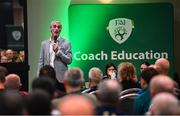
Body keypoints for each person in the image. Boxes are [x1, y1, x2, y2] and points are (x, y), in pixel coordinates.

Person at [38, 20, 72, 91]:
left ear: (60, 29)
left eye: (59, 27)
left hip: (60, 78)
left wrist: (58, 52)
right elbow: (41, 62)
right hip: (47, 76)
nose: (56, 28)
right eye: (54, 26)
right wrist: (39, 76)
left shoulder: (66, 43)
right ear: (51, 29)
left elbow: (69, 60)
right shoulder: (44, 44)